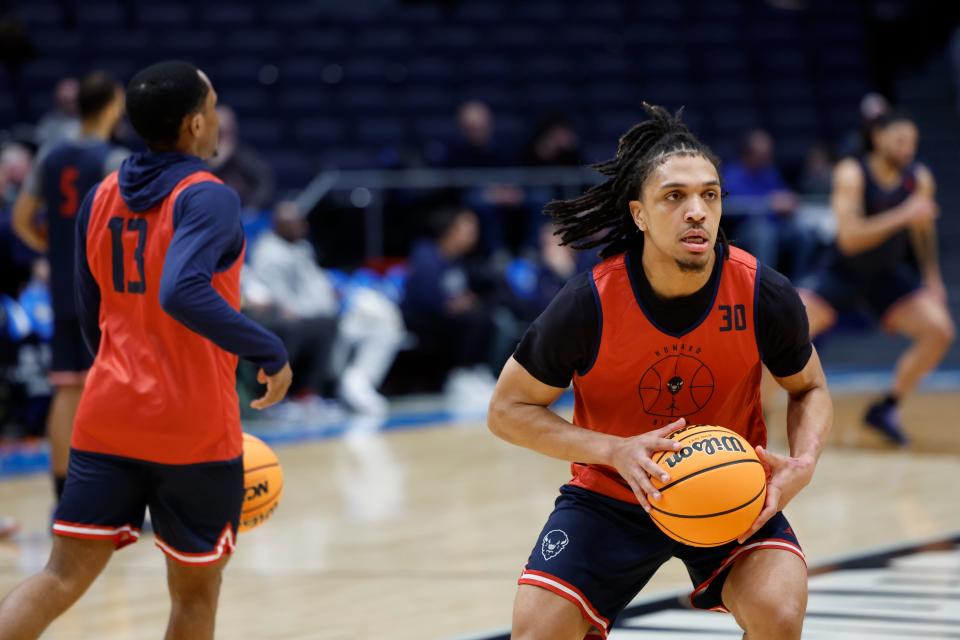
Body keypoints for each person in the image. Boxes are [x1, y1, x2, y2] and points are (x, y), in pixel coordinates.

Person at [488, 104, 833, 640]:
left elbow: (808, 386)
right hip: (613, 493)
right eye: (675, 196)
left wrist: (804, 460)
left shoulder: (762, 291)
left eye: (709, 195)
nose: (696, 210)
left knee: (779, 613)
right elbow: (506, 411)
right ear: (639, 214)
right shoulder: (589, 303)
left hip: (727, 484)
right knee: (536, 634)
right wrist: (614, 451)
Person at [0, 60, 291, 640]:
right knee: (194, 596)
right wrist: (269, 349)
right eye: (210, 109)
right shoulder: (209, 196)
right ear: (192, 126)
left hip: (106, 417)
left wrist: (120, 369)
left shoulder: (102, 193)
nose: (214, 120)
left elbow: (92, 315)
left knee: (59, 576)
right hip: (191, 427)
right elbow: (181, 290)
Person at [800, 110, 953, 446]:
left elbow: (922, 229)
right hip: (843, 272)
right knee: (784, 331)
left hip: (886, 276)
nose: (908, 149)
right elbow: (850, 239)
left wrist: (931, 277)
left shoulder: (919, 177)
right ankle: (761, 418)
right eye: (900, 140)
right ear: (879, 138)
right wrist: (904, 214)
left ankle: (886, 408)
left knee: (939, 330)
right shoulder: (852, 172)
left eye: (912, 142)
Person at [11, 71, 128, 505]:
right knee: (118, 392)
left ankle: (65, 498)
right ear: (114, 105)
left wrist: (55, 248)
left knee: (67, 390)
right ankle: (116, 496)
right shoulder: (113, 160)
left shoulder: (51, 156)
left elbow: (22, 218)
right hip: (106, 293)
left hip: (63, 287)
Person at [249, 200, 404, 415]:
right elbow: (281, 299)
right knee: (330, 326)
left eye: (301, 221)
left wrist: (335, 292)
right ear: (278, 225)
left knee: (386, 323)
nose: (301, 226)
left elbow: (317, 283)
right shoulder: (269, 252)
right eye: (293, 223)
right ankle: (329, 388)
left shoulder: (302, 247)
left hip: (332, 309)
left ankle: (358, 380)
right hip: (310, 317)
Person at [721, 129, 815, 279]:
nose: (767, 157)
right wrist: (769, 204)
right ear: (749, 154)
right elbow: (733, 205)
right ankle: (765, 285)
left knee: (802, 233)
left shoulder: (769, 172)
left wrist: (788, 200)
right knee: (764, 234)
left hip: (776, 225)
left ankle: (800, 284)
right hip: (744, 229)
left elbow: (782, 195)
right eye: (762, 153)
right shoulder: (732, 174)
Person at [208, 105, 275, 211]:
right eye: (220, 132)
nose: (225, 137)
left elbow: (264, 183)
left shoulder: (244, 156)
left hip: (243, 213)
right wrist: (217, 162)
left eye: (228, 131)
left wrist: (250, 207)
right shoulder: (200, 157)